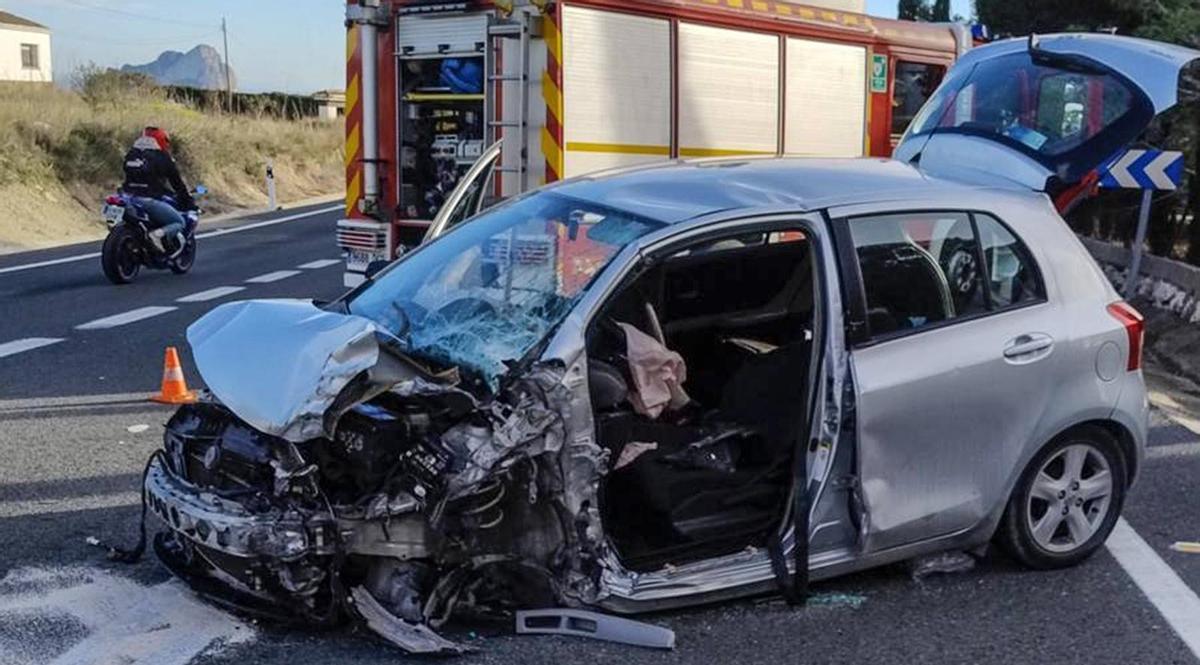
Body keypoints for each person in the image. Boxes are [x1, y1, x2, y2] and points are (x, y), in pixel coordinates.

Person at [120, 127, 194, 256]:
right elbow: (177, 183)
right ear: (161, 140)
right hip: (149, 200)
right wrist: (188, 202)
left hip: (126, 196)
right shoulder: (163, 157)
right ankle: (157, 235)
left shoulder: (131, 153)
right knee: (179, 222)